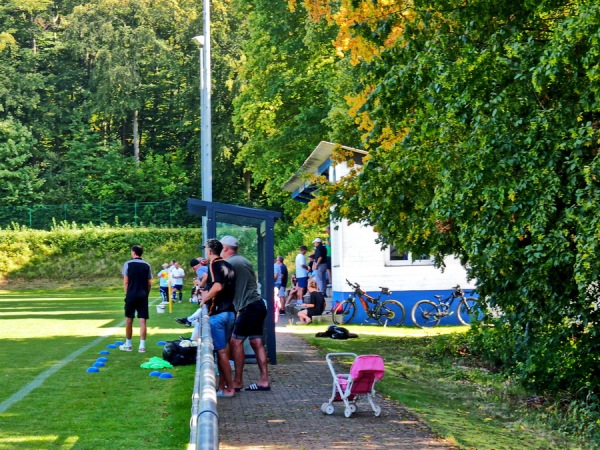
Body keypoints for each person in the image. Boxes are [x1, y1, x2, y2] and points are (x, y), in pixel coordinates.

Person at [220, 235, 271, 391]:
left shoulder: (229, 263)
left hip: (247, 307)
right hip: (258, 304)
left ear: (226, 248)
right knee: (257, 342)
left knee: (236, 342)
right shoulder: (244, 261)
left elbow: (221, 286)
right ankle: (264, 380)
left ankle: (237, 381)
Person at [198, 239, 237, 397]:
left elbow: (217, 286)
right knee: (223, 351)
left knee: (220, 352)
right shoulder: (228, 264)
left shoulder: (214, 264)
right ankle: (222, 386)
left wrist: (205, 299)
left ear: (209, 251)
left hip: (219, 314)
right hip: (230, 313)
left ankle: (230, 388)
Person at [120, 244, 152, 353]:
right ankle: (142, 346)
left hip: (131, 295)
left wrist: (127, 294)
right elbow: (149, 283)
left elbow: (126, 282)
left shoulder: (128, 264)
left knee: (129, 319)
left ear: (133, 252)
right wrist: (146, 294)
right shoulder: (147, 265)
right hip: (143, 295)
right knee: (142, 321)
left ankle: (128, 344)